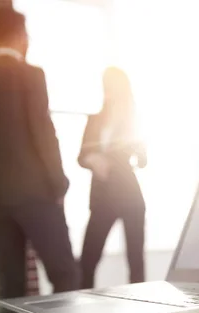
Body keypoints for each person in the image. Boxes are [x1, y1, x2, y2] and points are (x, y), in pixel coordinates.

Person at [0, 7, 80, 298]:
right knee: (65, 272)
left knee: (11, 284)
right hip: (35, 191)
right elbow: (43, 132)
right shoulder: (30, 75)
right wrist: (58, 183)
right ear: (20, 35)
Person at [78, 67, 147, 289]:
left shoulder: (132, 118)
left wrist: (136, 146)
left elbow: (143, 160)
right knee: (87, 262)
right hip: (102, 197)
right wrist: (93, 160)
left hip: (129, 195)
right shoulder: (95, 119)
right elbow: (81, 156)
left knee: (136, 263)